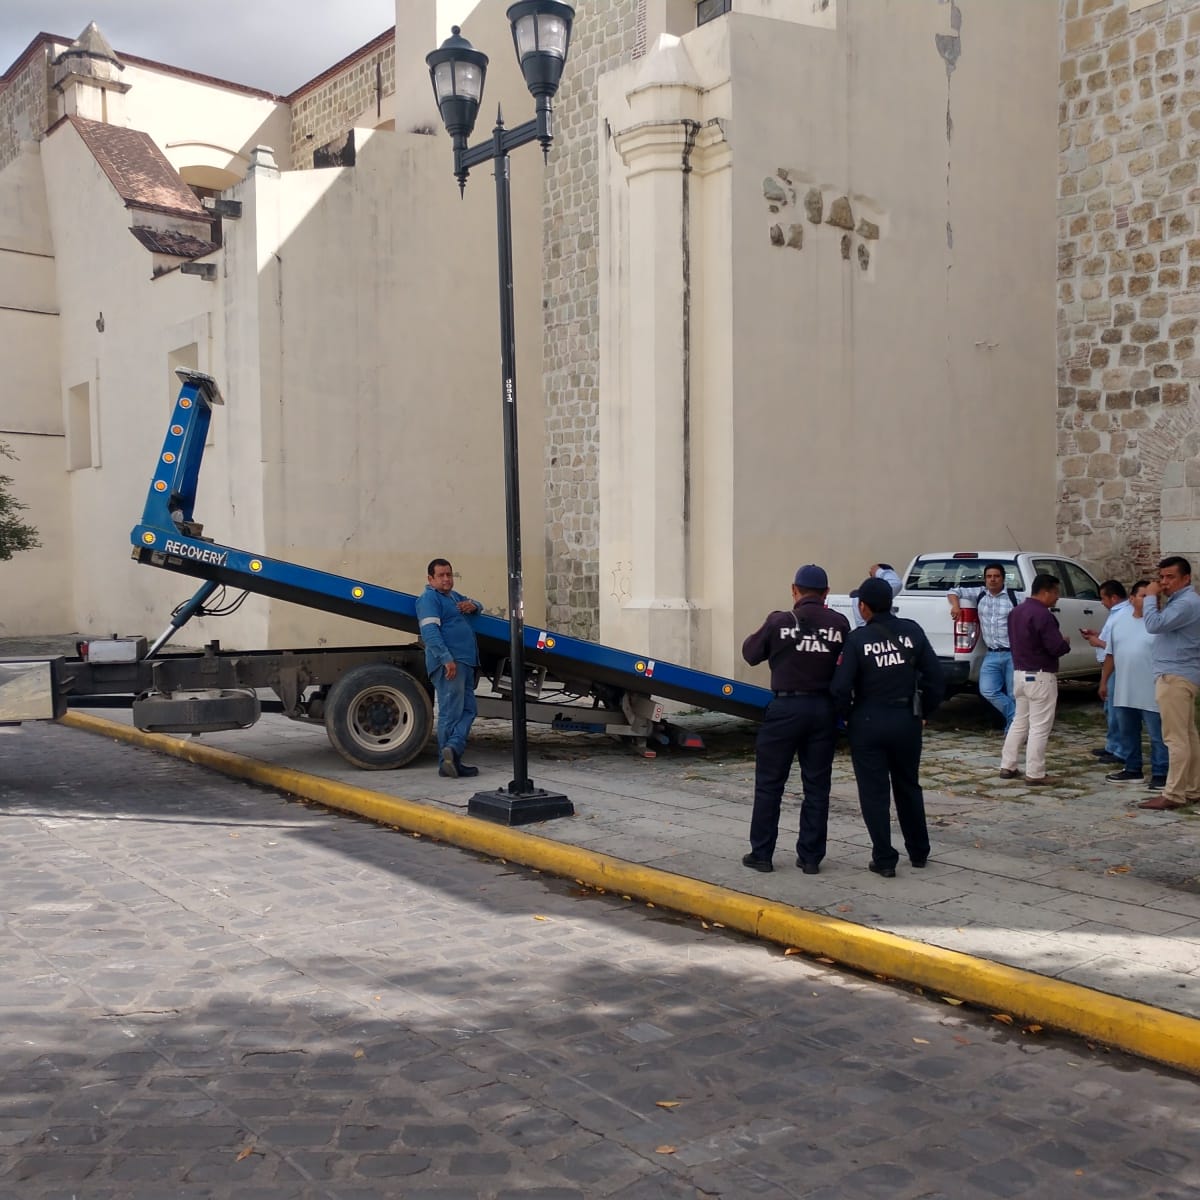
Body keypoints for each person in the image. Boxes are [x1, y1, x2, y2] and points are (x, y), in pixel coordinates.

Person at [831, 576, 944, 878]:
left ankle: (884, 858)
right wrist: (925, 711)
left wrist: (844, 720)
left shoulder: (857, 640)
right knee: (908, 785)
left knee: (874, 793)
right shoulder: (912, 630)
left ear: (863, 607)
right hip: (906, 719)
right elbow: (936, 678)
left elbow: (841, 688)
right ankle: (919, 851)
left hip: (868, 720)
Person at [741, 565, 850, 875]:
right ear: (826, 593)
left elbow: (750, 653)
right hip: (822, 710)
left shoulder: (779, 621)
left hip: (785, 709)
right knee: (816, 786)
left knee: (769, 785)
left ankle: (762, 853)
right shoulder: (839, 624)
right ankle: (811, 857)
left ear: (794, 590)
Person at [1140, 555, 1200, 810]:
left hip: (1174, 676)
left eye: (1170, 577)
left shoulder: (1186, 603)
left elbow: (1154, 625)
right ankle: (1192, 788)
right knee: (1187, 736)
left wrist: (1150, 597)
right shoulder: (1183, 601)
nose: (1164, 583)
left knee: (1175, 739)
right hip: (1180, 674)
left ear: (1186, 578)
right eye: (1162, 577)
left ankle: (1173, 794)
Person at [999, 573, 1071, 785]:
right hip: (1041, 675)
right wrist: (1065, 642)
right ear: (1046, 592)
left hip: (1020, 673)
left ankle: (1008, 764)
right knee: (1039, 726)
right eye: (1056, 593)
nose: (1057, 598)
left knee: (1019, 721)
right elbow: (1054, 647)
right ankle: (1035, 772)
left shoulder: (1016, 612)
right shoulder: (1043, 615)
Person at [416, 558, 482, 779]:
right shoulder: (428, 599)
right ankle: (447, 760)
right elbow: (430, 633)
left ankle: (453, 751)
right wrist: (446, 659)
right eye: (441, 575)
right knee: (451, 713)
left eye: (449, 575)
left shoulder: (453, 597)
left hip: (464, 661)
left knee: (469, 709)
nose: (446, 579)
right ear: (430, 579)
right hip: (450, 664)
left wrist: (474, 605)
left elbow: (476, 605)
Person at [1101, 581, 1167, 790]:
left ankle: (1161, 772)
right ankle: (1133, 768)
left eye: (1154, 598)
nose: (1151, 601)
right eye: (1145, 596)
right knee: (1128, 731)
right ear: (1132, 599)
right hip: (1124, 687)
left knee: (1157, 734)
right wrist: (1104, 681)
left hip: (1152, 687)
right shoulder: (1119, 621)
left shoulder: (1160, 624)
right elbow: (1111, 654)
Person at [947, 562, 1018, 731]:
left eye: (996, 576)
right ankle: (1018, 719)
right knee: (987, 690)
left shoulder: (1015, 597)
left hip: (1012, 653)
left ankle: (1013, 730)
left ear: (1003, 578)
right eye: (989, 576)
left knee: (1013, 694)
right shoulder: (979, 593)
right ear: (985, 579)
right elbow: (952, 591)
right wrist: (956, 605)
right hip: (992, 653)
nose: (992, 580)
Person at [1081, 580, 1131, 765]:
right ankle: (1112, 745)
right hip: (1109, 664)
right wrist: (1098, 635)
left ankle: (1121, 750)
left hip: (1116, 666)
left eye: (1103, 598)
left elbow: (1118, 645)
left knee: (1117, 710)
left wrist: (1099, 642)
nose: (1101, 602)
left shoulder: (1123, 614)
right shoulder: (1115, 613)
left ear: (1114, 597)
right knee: (1110, 709)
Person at [850, 563, 903, 629]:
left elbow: (896, 583)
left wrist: (877, 571)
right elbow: (896, 583)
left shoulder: (860, 597)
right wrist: (879, 572)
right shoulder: (911, 628)